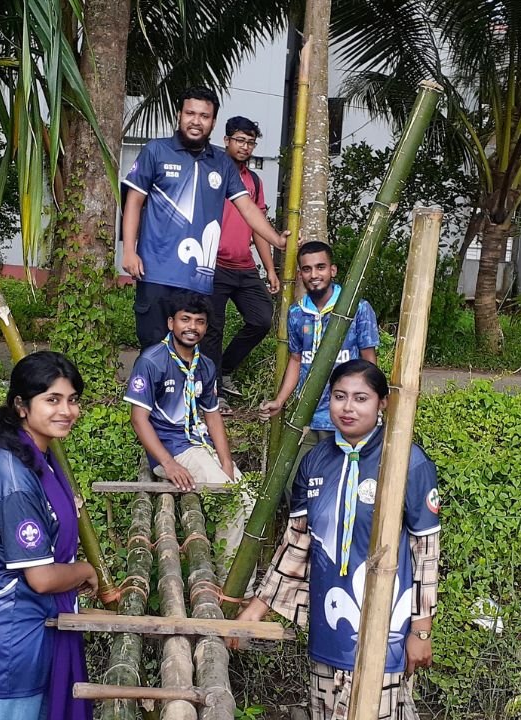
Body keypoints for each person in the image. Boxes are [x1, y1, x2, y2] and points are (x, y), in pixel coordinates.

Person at [234, 359, 442, 720]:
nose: (348, 407)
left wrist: (421, 630)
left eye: (361, 398)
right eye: (339, 396)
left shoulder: (406, 461)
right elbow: (298, 542)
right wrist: (257, 607)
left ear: (382, 403)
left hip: (387, 629)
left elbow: (425, 550)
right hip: (329, 626)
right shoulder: (315, 462)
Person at [0, 351, 97, 720]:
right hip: (13, 638)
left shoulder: (37, 457)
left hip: (35, 628)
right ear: (21, 406)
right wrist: (85, 571)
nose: (67, 411)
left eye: (72, 400)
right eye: (52, 400)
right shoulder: (15, 478)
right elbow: (40, 578)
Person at [121, 86, 287, 350]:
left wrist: (277, 240)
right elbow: (134, 201)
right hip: (155, 273)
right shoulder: (156, 151)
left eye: (204, 116)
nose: (196, 121)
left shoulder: (222, 162)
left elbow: (247, 207)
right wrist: (129, 251)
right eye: (190, 113)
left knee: (191, 353)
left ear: (213, 122)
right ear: (179, 115)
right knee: (153, 350)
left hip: (198, 280)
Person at [123, 292, 251, 566]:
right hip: (172, 449)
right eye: (185, 319)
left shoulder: (205, 364)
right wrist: (168, 464)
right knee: (231, 501)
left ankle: (240, 578)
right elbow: (138, 419)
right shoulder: (152, 361)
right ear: (171, 323)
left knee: (250, 502)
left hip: (199, 444)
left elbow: (213, 416)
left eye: (199, 321)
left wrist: (226, 463)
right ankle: (230, 581)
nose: (192, 327)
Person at [199, 116, 279, 410]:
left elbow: (259, 227)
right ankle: (213, 393)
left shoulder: (254, 181)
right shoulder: (211, 172)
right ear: (227, 140)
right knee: (212, 330)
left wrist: (269, 268)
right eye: (240, 140)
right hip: (213, 264)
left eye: (250, 142)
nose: (245, 147)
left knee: (262, 319)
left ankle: (225, 369)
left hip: (244, 265)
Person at [258, 241, 379, 435]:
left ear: (333, 270)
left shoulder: (357, 308)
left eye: (320, 267)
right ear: (300, 275)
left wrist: (373, 404)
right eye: (307, 269)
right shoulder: (296, 313)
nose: (314, 275)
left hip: (349, 417)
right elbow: (296, 360)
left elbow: (369, 360)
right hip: (307, 418)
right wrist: (280, 401)